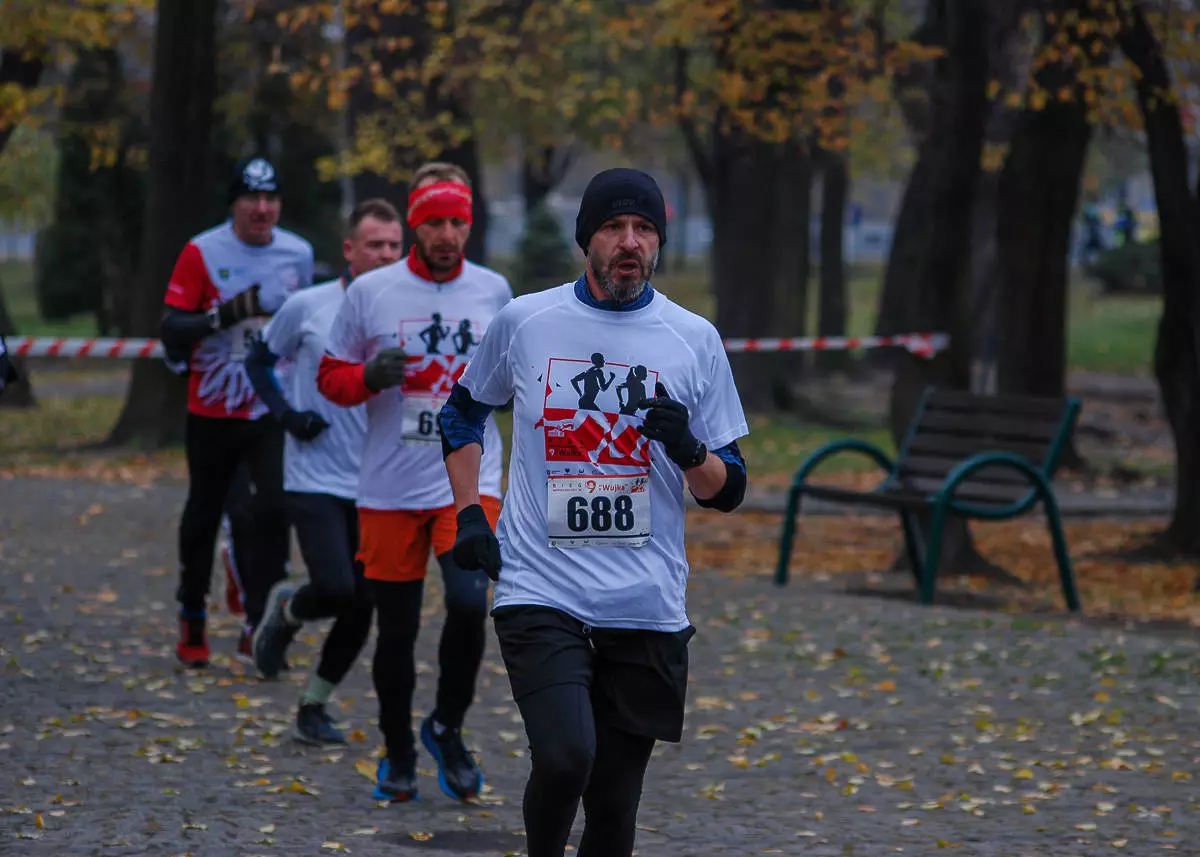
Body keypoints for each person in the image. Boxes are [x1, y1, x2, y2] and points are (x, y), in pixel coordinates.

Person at [439, 168, 749, 857]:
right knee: (564, 757)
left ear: (659, 243)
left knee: (612, 807)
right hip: (540, 586)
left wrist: (690, 447)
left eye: (644, 230)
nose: (629, 242)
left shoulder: (694, 338)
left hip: (645, 601)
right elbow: (460, 415)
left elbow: (727, 489)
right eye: (613, 227)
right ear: (587, 239)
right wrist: (470, 514)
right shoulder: (526, 321)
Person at [317, 162, 512, 802]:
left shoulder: (494, 291)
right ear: (415, 226)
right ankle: (398, 749)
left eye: (458, 221)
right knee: (394, 631)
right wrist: (371, 376)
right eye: (435, 223)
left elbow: (519, 378)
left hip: (469, 482)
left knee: (466, 602)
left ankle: (446, 727)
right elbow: (330, 378)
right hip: (390, 489)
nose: (448, 234)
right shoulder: (371, 293)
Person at [244, 199, 404, 744]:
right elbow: (258, 361)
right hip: (314, 474)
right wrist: (288, 415)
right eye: (374, 244)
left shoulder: (412, 313)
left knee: (366, 605)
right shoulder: (308, 306)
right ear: (349, 250)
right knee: (338, 589)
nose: (384, 254)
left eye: (392, 245)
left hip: (380, 479)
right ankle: (289, 606)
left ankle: (314, 705)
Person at [160, 155, 314, 668]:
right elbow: (171, 330)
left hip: (269, 404)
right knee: (204, 513)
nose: (262, 208)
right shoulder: (202, 252)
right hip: (212, 408)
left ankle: (261, 624)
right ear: (235, 204)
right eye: (252, 198)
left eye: (271, 198)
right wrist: (223, 315)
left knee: (270, 512)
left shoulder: (299, 254)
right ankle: (192, 614)